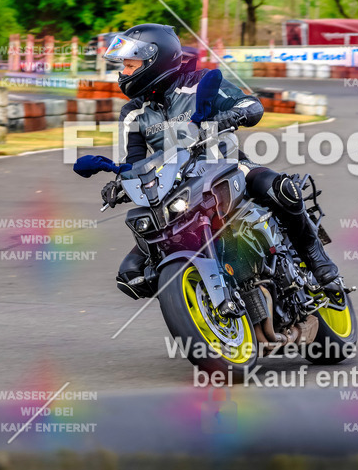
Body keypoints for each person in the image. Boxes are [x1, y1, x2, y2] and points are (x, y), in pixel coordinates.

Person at [94, 23, 340, 301]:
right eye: (123, 66)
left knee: (280, 189)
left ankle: (317, 259)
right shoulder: (132, 113)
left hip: (228, 166)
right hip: (175, 188)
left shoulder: (201, 82)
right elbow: (132, 162)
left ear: (155, 60)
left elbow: (252, 105)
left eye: (130, 65)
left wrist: (233, 116)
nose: (124, 73)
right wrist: (120, 183)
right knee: (132, 274)